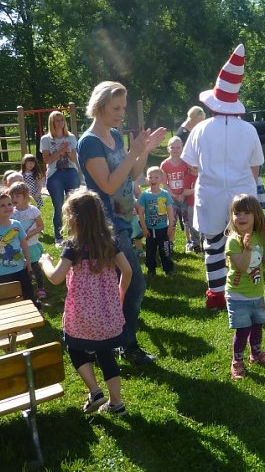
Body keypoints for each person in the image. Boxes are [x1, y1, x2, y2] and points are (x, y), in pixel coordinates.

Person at [78, 81, 166, 364]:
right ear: (100, 106)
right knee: (135, 283)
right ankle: (125, 344)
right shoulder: (89, 142)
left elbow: (132, 174)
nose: (121, 113)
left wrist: (146, 150)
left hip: (125, 219)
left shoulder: (114, 135)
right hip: (107, 224)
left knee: (122, 284)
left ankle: (112, 340)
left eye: (123, 107)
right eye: (116, 108)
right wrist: (133, 152)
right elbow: (107, 184)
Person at [181, 45, 264, 311]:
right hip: (243, 194)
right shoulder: (249, 130)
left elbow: (190, 164)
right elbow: (256, 168)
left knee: (214, 245)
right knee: (247, 242)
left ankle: (216, 293)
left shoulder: (201, 129)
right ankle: (248, 288)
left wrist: (208, 170)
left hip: (211, 194)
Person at [39, 190, 132, 415]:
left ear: (73, 218)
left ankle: (95, 391)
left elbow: (55, 278)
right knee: (105, 351)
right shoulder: (109, 242)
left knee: (75, 347)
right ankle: (116, 403)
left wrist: (44, 262)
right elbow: (127, 271)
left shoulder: (74, 246)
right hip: (107, 312)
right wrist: (119, 295)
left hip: (80, 314)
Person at [225, 194, 265, 380]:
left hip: (256, 294)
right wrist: (247, 249)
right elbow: (242, 268)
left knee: (257, 326)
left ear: (256, 215)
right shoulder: (233, 241)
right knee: (242, 330)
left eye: (246, 213)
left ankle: (256, 354)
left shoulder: (260, 237)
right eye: (237, 213)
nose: (241, 217)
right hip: (238, 295)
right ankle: (237, 361)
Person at [0, 190, 34, 303]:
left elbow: (24, 243)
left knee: (27, 292)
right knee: (6, 297)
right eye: (2, 205)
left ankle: (35, 309)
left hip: (20, 267)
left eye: (9, 204)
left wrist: (28, 261)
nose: (7, 207)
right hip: (2, 271)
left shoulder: (16, 224)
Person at [40, 110, 80, 246]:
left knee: (73, 206)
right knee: (58, 207)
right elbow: (47, 160)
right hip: (55, 174)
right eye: (57, 120)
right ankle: (58, 237)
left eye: (62, 119)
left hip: (71, 172)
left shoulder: (71, 137)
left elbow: (75, 159)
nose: (60, 122)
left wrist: (68, 151)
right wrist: (60, 151)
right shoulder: (45, 139)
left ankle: (74, 235)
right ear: (52, 122)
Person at [9, 182, 47, 299]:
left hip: (32, 244)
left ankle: (40, 287)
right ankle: (26, 287)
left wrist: (30, 234)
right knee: (23, 268)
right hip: (19, 246)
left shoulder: (33, 210)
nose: (14, 199)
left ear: (25, 196)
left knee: (35, 267)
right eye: (13, 196)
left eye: (17, 196)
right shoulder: (12, 212)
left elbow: (41, 226)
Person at [137, 166, 175, 277]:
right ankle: (151, 270)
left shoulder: (165, 194)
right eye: (150, 177)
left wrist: (170, 226)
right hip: (150, 229)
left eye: (156, 177)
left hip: (163, 229)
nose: (153, 180)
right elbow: (141, 213)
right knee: (150, 251)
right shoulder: (145, 195)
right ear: (146, 179)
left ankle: (168, 269)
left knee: (165, 250)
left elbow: (170, 211)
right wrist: (144, 228)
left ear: (162, 179)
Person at [161, 136, 194, 252]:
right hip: (172, 198)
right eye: (172, 147)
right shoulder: (164, 165)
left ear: (182, 148)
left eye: (178, 147)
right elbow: (164, 184)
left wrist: (183, 195)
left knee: (187, 221)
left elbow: (189, 179)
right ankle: (170, 243)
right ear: (168, 149)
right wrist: (173, 195)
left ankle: (189, 242)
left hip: (185, 197)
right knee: (172, 221)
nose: (175, 149)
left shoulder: (186, 163)